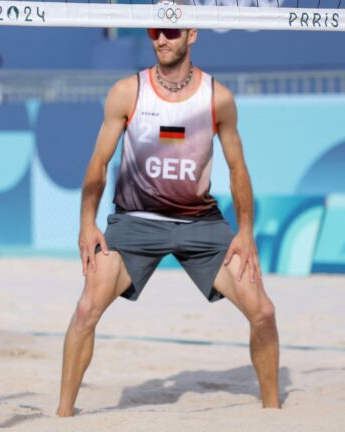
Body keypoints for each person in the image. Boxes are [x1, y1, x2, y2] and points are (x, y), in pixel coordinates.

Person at [56, 25, 280, 416]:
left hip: (201, 223)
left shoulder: (218, 97)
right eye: (155, 31)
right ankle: (62, 415)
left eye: (171, 32)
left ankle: (274, 411)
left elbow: (237, 168)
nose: (161, 39)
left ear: (191, 36)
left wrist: (245, 232)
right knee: (86, 308)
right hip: (135, 221)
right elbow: (98, 163)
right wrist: (86, 223)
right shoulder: (128, 92)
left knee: (262, 311)